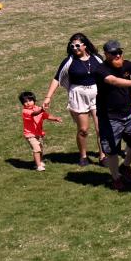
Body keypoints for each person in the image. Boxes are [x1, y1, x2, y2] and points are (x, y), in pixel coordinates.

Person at [43, 33, 104, 167]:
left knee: (101, 129)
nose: (75, 48)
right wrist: (48, 97)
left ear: (85, 45)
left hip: (97, 94)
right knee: (83, 129)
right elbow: (57, 78)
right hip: (78, 95)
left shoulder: (97, 58)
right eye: (72, 46)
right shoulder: (69, 61)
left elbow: (106, 74)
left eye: (77, 45)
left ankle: (102, 155)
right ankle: (83, 156)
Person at [96, 40, 131, 191]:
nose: (117, 55)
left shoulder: (127, 64)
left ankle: (126, 166)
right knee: (111, 149)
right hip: (109, 117)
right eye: (113, 53)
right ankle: (116, 177)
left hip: (128, 114)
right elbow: (113, 81)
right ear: (106, 54)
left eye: (119, 52)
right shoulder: (101, 69)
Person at [19, 91, 62, 171]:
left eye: (30, 100)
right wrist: (42, 109)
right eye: (25, 102)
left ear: (34, 100)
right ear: (22, 103)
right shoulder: (25, 111)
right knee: (37, 149)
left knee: (41, 149)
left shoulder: (37, 108)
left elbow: (46, 116)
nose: (28, 103)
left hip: (39, 133)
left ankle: (38, 162)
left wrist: (55, 118)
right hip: (30, 134)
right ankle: (39, 166)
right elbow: (34, 114)